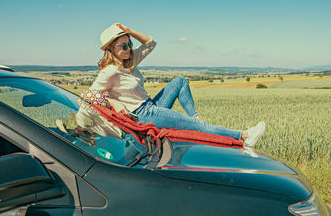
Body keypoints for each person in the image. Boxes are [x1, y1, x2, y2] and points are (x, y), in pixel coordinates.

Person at [86, 23, 265, 148]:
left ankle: (193, 117)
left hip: (151, 105)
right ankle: (244, 136)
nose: (129, 49)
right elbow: (87, 97)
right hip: (143, 115)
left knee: (180, 81)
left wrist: (129, 31)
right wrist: (113, 102)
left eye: (130, 44)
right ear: (110, 49)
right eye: (123, 46)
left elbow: (150, 43)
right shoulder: (109, 71)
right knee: (201, 128)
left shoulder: (129, 61)